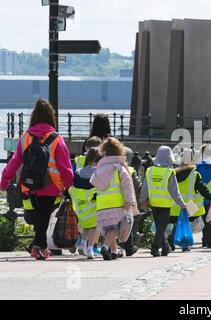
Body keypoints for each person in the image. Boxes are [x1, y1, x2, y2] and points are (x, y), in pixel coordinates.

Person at [1, 99, 73, 260]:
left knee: (41, 217)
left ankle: (41, 248)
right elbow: (65, 166)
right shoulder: (56, 139)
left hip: (30, 184)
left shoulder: (25, 137)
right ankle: (36, 247)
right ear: (51, 117)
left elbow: (15, 161)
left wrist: (5, 180)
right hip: (51, 185)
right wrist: (67, 185)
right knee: (45, 217)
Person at [90, 137, 139, 260]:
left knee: (108, 229)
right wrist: (129, 201)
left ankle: (113, 251)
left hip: (102, 204)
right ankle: (105, 248)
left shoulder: (100, 169)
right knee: (114, 228)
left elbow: (93, 181)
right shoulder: (119, 168)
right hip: (117, 203)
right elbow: (127, 186)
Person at [141, 146, 186, 257]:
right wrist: (182, 204)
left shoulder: (149, 171)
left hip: (153, 203)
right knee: (161, 227)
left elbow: (144, 188)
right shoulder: (169, 172)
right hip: (165, 204)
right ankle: (155, 247)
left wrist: (143, 201)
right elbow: (175, 192)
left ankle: (165, 247)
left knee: (159, 227)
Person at [168, 148, 211, 252]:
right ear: (192, 160)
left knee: (177, 223)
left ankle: (172, 241)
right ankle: (185, 244)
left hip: (174, 206)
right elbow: (203, 189)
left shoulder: (173, 173)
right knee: (186, 223)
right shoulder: (194, 175)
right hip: (189, 207)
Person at [69, 148, 102, 259]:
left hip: (80, 207)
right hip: (93, 204)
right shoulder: (98, 173)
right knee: (94, 227)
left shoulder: (78, 172)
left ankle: (82, 244)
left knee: (87, 225)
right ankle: (90, 249)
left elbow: (71, 188)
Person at [120, 146, 141, 256]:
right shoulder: (131, 170)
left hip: (113, 200)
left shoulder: (113, 168)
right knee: (128, 223)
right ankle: (129, 247)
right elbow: (137, 187)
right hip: (127, 201)